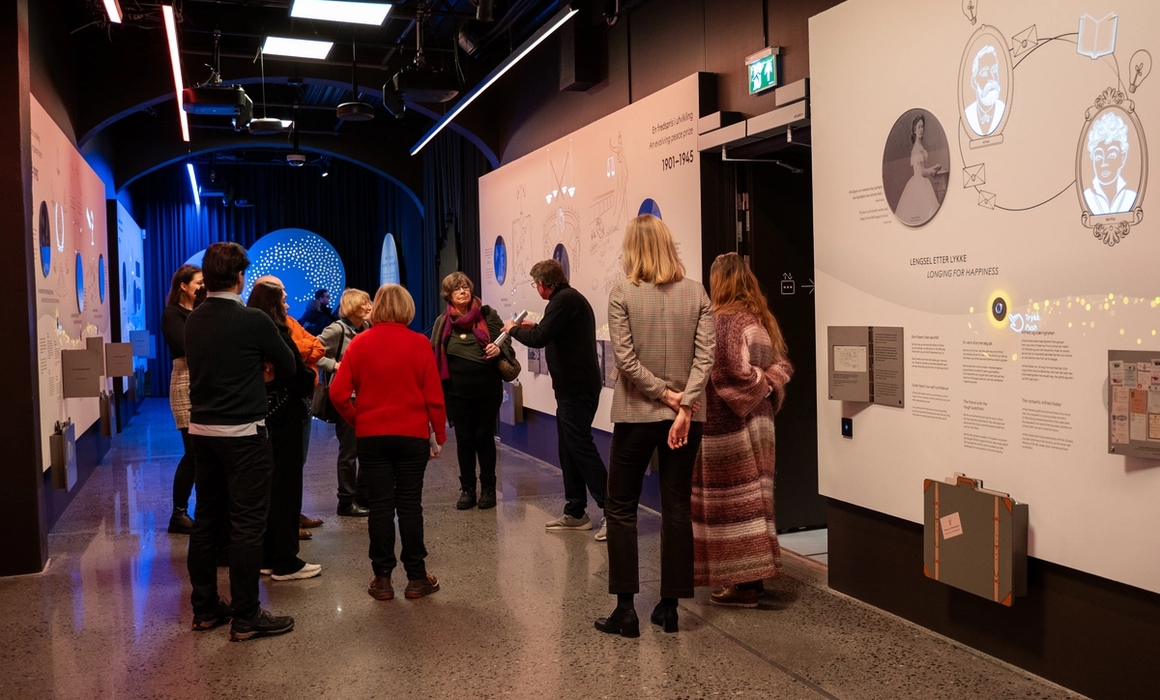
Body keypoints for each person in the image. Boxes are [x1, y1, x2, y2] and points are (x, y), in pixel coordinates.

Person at [595, 214, 715, 638]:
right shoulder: (697, 292)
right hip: (686, 416)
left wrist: (663, 395)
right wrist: (684, 405)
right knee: (677, 506)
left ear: (633, 249)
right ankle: (669, 608)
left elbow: (624, 361)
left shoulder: (623, 293)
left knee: (622, 507)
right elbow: (706, 358)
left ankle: (625, 610)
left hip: (636, 415)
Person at [184, 242, 297, 642]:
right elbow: (289, 365)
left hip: (202, 434)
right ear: (238, 277)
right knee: (248, 525)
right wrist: (262, 372)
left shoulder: (194, 319)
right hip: (244, 435)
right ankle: (247, 615)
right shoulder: (252, 320)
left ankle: (205, 608)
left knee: (207, 522)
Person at [329, 284, 447, 601]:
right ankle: (417, 578)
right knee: (410, 506)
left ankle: (382, 580)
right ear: (407, 308)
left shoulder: (359, 343)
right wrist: (439, 434)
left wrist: (358, 419)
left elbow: (337, 394)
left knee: (380, 507)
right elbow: (434, 397)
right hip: (412, 437)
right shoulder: (420, 343)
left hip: (372, 437)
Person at [692, 253, 793, 608]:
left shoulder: (723, 322)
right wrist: (767, 386)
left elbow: (729, 373)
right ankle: (753, 579)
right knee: (756, 499)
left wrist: (757, 385)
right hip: (761, 420)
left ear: (719, 281)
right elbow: (781, 365)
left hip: (728, 425)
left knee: (734, 506)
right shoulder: (760, 319)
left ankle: (744, 584)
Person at [502, 259, 608, 540]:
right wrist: (535, 325)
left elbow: (539, 338)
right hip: (571, 390)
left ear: (542, 285)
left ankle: (614, 512)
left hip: (577, 390)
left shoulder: (564, 300)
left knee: (581, 448)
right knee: (569, 449)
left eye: (536, 284)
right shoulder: (566, 300)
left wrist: (513, 329)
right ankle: (575, 512)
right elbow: (550, 330)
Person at [246, 281, 323, 581]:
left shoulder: (248, 331)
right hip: (286, 416)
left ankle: (267, 557)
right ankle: (286, 561)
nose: (289, 305)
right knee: (287, 488)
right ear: (273, 303)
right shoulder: (277, 331)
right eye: (284, 299)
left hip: (262, 416)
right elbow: (301, 377)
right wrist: (300, 364)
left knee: (270, 487)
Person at [431, 272, 509, 511]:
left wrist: (498, 349)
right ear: (449, 295)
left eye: (465, 287)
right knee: (464, 440)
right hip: (457, 393)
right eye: (457, 289)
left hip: (487, 390)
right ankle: (467, 489)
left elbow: (505, 341)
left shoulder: (487, 314)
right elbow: (435, 354)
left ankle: (488, 489)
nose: (463, 291)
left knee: (483, 438)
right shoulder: (442, 322)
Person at [317, 288, 373, 517]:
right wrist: (336, 366)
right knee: (349, 452)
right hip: (347, 399)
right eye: (364, 303)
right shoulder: (337, 329)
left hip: (368, 397)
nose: (370, 306)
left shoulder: (368, 328)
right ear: (351, 308)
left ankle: (363, 496)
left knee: (367, 449)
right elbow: (313, 351)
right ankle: (346, 501)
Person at [160, 264, 203, 535]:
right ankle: (178, 513)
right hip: (186, 382)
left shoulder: (200, 311)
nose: (202, 286)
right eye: (198, 282)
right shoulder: (172, 314)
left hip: (205, 383)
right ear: (184, 286)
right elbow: (186, 347)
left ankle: (200, 511)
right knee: (193, 452)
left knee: (202, 453)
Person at [1083, 111, 1138, 215]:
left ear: (1122, 158)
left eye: (1111, 155)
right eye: (1099, 156)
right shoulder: (1088, 197)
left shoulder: (1131, 197)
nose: (1104, 163)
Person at [894, 114, 943, 225]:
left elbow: (923, 169)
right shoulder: (917, 148)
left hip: (922, 181)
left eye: (922, 127)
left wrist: (933, 168)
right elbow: (922, 172)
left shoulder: (919, 146)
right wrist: (933, 170)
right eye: (919, 127)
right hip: (919, 184)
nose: (921, 130)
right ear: (914, 130)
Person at [964, 44, 1006, 137]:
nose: (992, 78)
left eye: (994, 70)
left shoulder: (1003, 109)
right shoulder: (968, 114)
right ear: (974, 82)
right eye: (984, 73)